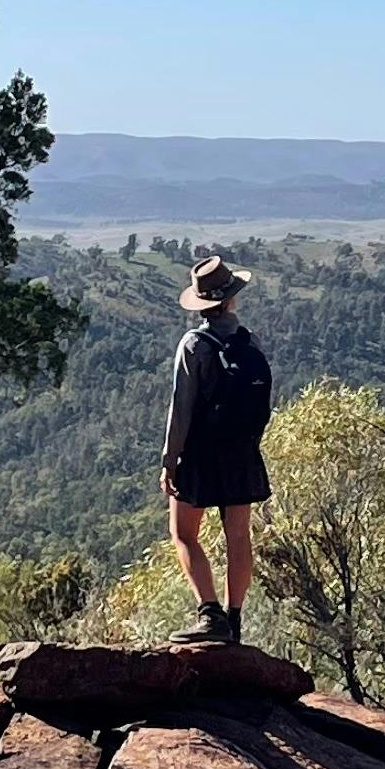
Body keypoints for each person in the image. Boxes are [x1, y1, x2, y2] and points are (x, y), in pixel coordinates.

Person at [161, 251, 275, 643]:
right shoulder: (250, 342)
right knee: (238, 537)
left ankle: (210, 615)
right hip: (241, 452)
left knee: (183, 534)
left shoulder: (194, 345)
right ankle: (235, 620)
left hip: (200, 454)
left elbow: (181, 408)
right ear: (231, 299)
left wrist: (169, 461)